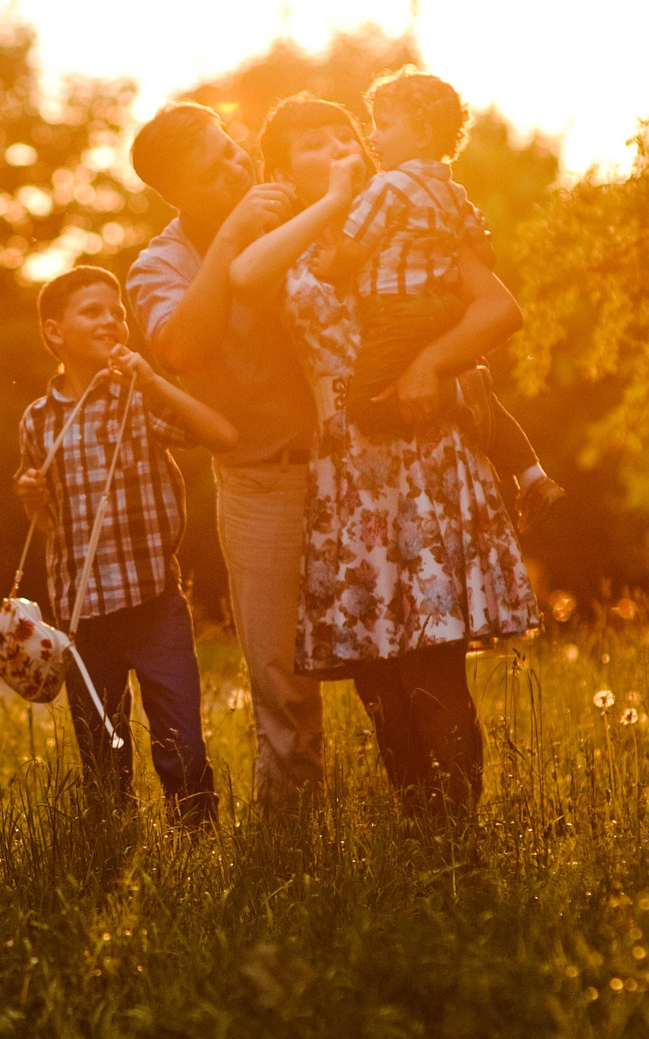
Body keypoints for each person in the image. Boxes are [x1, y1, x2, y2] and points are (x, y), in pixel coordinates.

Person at [229, 96, 542, 814]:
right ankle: (416, 828)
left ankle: (458, 839)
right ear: (282, 168)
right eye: (314, 142)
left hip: (422, 456)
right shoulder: (294, 237)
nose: (340, 145)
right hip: (344, 471)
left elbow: (499, 309)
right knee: (375, 671)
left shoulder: (408, 215)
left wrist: (428, 363)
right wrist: (334, 198)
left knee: (431, 657)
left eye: (345, 134)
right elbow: (245, 279)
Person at [126, 103, 324, 809]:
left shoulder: (296, 208)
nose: (240, 165)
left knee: (387, 661)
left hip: (353, 469)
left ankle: (421, 833)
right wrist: (235, 236)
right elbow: (181, 348)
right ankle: (292, 854)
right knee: (282, 683)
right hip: (260, 486)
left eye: (233, 148)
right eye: (217, 167)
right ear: (178, 193)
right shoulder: (158, 265)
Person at [14, 265, 239, 823]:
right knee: (101, 746)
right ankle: (113, 836)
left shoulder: (138, 397)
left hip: (153, 601)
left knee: (181, 739)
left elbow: (220, 435)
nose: (112, 320)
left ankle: (194, 835)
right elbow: (47, 524)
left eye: (117, 311)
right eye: (93, 312)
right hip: (82, 615)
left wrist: (153, 380)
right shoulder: (39, 420)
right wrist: (30, 498)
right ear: (55, 333)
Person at [312, 66, 565, 528]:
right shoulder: (454, 192)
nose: (372, 136)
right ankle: (530, 473)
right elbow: (484, 254)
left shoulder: (386, 186)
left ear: (423, 132)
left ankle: (460, 392)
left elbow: (351, 252)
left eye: (384, 125)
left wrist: (325, 263)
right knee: (482, 397)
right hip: (445, 310)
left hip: (397, 311)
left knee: (365, 408)